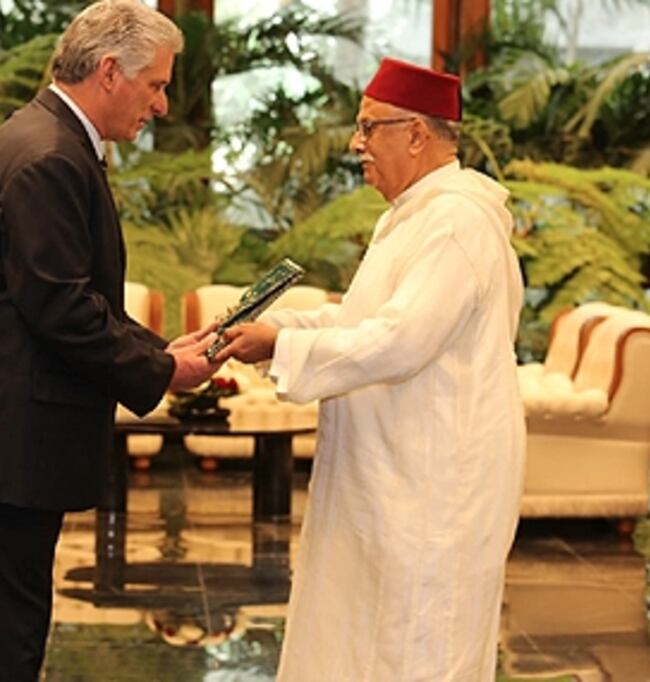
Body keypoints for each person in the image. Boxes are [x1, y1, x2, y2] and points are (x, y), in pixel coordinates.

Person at [0, 1, 218, 679]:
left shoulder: (49, 139)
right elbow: (61, 308)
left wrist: (160, 352)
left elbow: (69, 293)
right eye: (155, 84)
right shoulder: (49, 156)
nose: (160, 104)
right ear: (109, 72)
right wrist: (161, 371)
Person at [217, 58, 527, 681]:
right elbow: (362, 320)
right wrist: (281, 331)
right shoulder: (409, 216)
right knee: (364, 638)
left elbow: (397, 343)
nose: (356, 145)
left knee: (415, 644)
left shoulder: (456, 220)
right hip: (391, 474)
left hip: (434, 482)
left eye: (368, 128)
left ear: (416, 133)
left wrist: (279, 347)